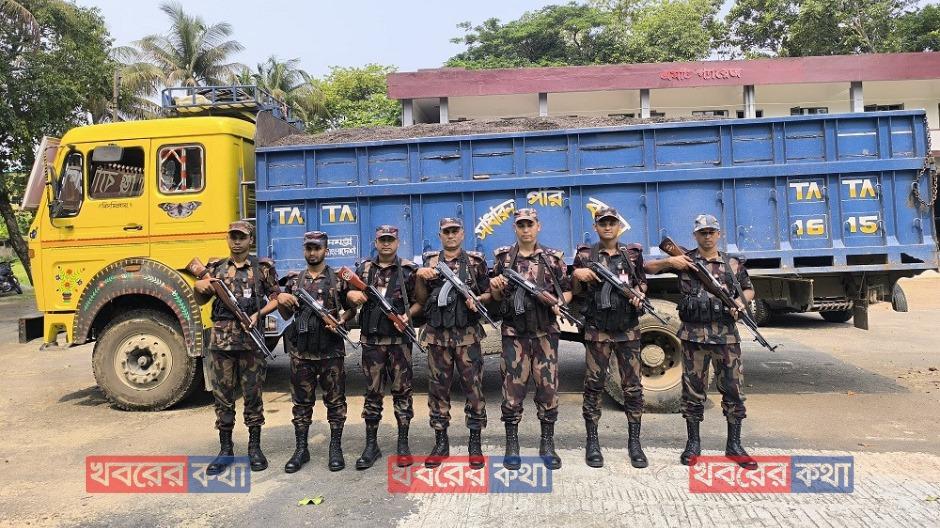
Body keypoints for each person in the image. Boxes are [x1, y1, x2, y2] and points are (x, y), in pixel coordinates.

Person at [644, 214, 758, 469]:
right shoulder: (685, 260)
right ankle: (693, 444)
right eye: (702, 232)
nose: (707, 236)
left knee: (733, 391)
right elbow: (647, 269)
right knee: (693, 392)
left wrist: (740, 303)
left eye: (711, 232)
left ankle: (734, 445)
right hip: (693, 337)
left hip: (726, 337)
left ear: (719, 234)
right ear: (695, 235)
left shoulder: (732, 263)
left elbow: (749, 288)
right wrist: (669, 261)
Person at [193, 220, 280, 474]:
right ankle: (225, 450)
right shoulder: (215, 268)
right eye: (233, 236)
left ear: (250, 239)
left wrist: (258, 314)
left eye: (242, 237)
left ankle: (254, 448)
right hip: (221, 344)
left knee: (253, 396)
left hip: (251, 342)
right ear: (227, 238)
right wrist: (199, 286)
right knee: (222, 398)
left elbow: (277, 297)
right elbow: (201, 299)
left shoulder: (262, 268)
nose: (237, 241)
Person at [489, 208, 571, 470]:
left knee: (548, 389)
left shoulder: (552, 258)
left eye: (530, 224)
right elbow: (496, 297)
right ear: (515, 228)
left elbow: (567, 290)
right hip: (515, 335)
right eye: (521, 225)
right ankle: (512, 445)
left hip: (545, 333)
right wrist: (496, 287)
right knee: (512, 391)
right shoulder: (504, 259)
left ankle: (547, 444)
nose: (526, 229)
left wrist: (558, 302)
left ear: (538, 226)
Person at [571, 207, 648, 469]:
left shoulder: (632, 254)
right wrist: (577, 274)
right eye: (602, 223)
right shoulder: (585, 255)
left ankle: (634, 443)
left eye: (612, 223)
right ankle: (592, 442)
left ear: (618, 226)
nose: (607, 227)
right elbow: (574, 290)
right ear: (595, 227)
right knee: (594, 386)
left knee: (632, 387)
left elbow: (641, 281)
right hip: (597, 330)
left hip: (627, 330)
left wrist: (639, 293)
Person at [414, 218, 490, 469]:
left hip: (467, 337)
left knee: (474, 390)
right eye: (446, 232)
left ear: (462, 234)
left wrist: (477, 300)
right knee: (438, 391)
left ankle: (475, 443)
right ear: (440, 235)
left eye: (455, 231)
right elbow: (421, 301)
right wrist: (420, 277)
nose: (450, 236)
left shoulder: (475, 262)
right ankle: (440, 443)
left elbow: (488, 293)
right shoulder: (430, 262)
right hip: (437, 338)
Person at [277, 231, 354, 473]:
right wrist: (282, 301)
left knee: (336, 403)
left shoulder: (338, 280)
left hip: (331, 352)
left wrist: (341, 320)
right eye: (308, 248)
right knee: (301, 404)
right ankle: (301, 449)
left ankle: (335, 448)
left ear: (326, 251)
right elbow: (286, 315)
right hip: (302, 354)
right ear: (304, 250)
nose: (312, 252)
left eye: (317, 248)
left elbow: (352, 309)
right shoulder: (294, 281)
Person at [346, 225, 421, 469]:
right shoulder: (364, 269)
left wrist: (408, 316)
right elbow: (349, 295)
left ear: (397, 243)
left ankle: (403, 444)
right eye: (382, 240)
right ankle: (371, 446)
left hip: (399, 343)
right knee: (372, 394)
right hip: (372, 343)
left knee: (403, 393)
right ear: (376, 243)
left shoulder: (408, 270)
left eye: (390, 240)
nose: (386, 243)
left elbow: (420, 301)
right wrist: (352, 296)